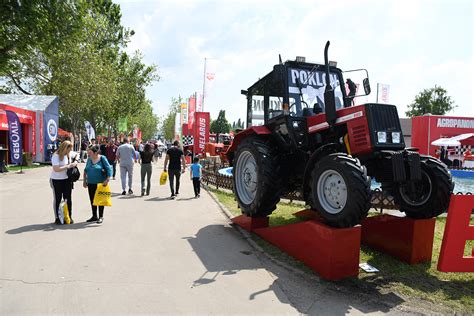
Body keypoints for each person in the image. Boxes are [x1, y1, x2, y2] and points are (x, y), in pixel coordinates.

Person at [83, 145, 112, 224]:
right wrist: (84, 181)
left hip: (101, 183)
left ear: (95, 152)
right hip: (91, 183)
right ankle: (94, 216)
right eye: (88, 151)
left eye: (90, 151)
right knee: (92, 200)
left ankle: (101, 216)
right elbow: (85, 170)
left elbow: (109, 169)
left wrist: (107, 179)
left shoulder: (102, 158)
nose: (88, 152)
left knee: (100, 200)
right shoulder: (89, 159)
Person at [50, 140, 77, 224]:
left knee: (68, 198)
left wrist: (75, 161)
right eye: (69, 149)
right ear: (65, 148)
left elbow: (76, 155)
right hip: (56, 180)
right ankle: (57, 217)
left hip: (67, 179)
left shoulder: (69, 153)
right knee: (58, 198)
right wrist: (68, 166)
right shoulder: (56, 155)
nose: (70, 151)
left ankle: (68, 216)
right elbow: (56, 169)